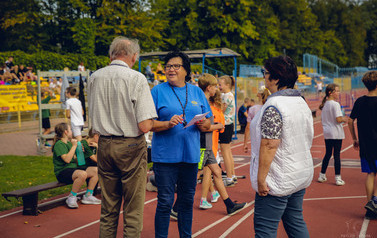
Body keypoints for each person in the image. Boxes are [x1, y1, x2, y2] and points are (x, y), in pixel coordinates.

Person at [87, 36, 156, 238]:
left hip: (104, 144)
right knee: (133, 208)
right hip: (130, 145)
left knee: (108, 207)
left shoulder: (95, 77)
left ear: (111, 55)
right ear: (134, 57)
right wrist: (160, 123)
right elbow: (144, 125)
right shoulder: (136, 78)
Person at [250, 56, 314, 238]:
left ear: (276, 78)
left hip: (277, 179)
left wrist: (261, 179)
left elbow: (270, 144)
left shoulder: (274, 106)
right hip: (299, 172)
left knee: (265, 231)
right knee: (295, 221)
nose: (264, 77)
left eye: (265, 73)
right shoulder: (300, 101)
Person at [150, 51, 211, 238]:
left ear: (186, 70)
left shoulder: (196, 92)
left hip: (190, 156)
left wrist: (202, 123)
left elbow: (208, 122)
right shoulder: (157, 91)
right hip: (165, 157)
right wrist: (167, 123)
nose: (171, 69)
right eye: (168, 66)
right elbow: (148, 124)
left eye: (176, 66)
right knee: (165, 202)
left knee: (186, 201)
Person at [197, 73, 246, 214]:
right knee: (197, 175)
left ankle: (229, 205)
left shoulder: (206, 102)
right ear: (209, 88)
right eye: (215, 86)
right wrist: (217, 126)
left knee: (217, 172)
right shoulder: (203, 103)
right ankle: (177, 207)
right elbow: (202, 126)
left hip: (207, 144)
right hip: (203, 144)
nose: (217, 89)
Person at [348, 71, 377, 220]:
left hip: (366, 144)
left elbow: (349, 120)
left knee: (370, 174)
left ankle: (370, 206)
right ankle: (375, 201)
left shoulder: (360, 101)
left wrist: (354, 138)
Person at [52, 123, 101, 209]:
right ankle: (72, 197)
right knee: (82, 174)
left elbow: (76, 161)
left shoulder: (69, 143)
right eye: (70, 130)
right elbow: (67, 160)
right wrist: (74, 146)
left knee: (96, 170)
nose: (72, 131)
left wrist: (79, 152)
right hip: (62, 172)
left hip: (73, 169)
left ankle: (88, 196)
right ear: (66, 132)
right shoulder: (59, 144)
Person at [317, 83, 347, 186]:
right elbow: (338, 119)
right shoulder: (335, 104)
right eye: (337, 91)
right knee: (337, 155)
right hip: (336, 132)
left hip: (327, 132)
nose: (339, 93)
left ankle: (322, 175)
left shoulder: (325, 104)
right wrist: (344, 118)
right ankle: (338, 178)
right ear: (330, 92)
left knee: (328, 153)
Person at [218, 75, 237, 186]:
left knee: (225, 152)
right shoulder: (230, 95)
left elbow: (222, 109)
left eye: (220, 85)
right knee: (228, 151)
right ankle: (232, 174)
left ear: (227, 85)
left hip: (225, 124)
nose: (219, 87)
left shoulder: (226, 96)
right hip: (229, 124)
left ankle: (229, 177)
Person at [243, 87, 270, 153]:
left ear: (258, 95)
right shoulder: (270, 107)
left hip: (256, 139)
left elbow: (248, 127)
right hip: (268, 139)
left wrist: (245, 143)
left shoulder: (252, 109)